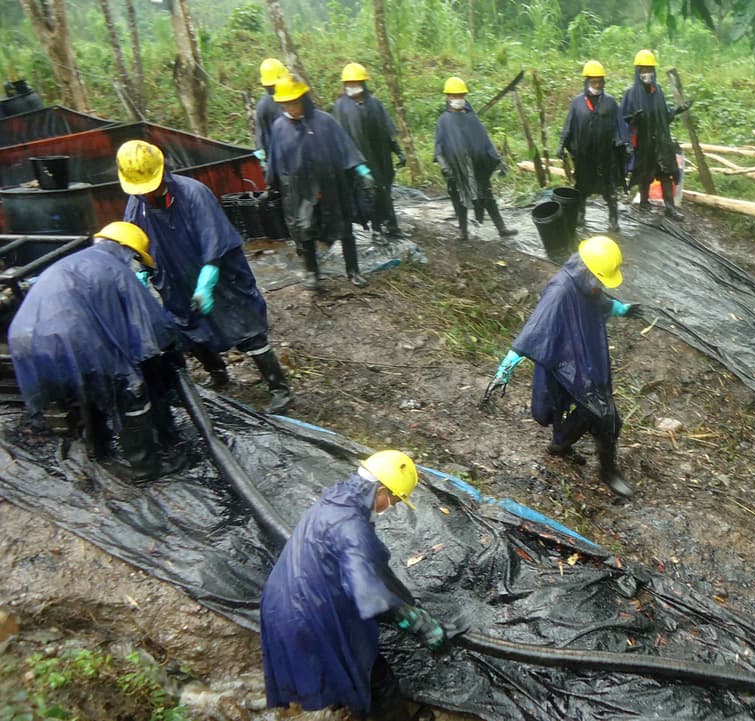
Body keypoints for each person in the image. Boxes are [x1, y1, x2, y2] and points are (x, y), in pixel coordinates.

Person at [260, 450, 450, 720]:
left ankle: (344, 697)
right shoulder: (352, 528)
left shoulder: (336, 499)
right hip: (312, 617)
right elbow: (368, 594)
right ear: (381, 490)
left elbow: (372, 568)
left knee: (344, 670)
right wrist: (417, 623)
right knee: (376, 682)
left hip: (281, 603)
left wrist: (408, 603)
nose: (393, 505)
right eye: (395, 498)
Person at [118, 139, 294, 414]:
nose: (146, 193)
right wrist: (142, 271)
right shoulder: (136, 204)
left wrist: (208, 278)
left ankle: (279, 389)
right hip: (173, 279)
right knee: (188, 328)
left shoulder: (193, 194)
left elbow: (214, 237)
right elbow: (137, 241)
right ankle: (218, 374)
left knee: (244, 325)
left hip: (219, 276)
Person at [7, 222, 185, 481]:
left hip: (25, 339)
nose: (137, 265)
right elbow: (151, 325)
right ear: (127, 250)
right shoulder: (116, 269)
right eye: (137, 259)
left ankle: (98, 450)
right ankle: (146, 468)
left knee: (90, 387)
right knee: (129, 388)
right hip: (71, 338)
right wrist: (173, 350)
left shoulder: (74, 262)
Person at [486, 236, 640, 498]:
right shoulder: (560, 291)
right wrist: (505, 369)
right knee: (604, 416)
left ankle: (560, 445)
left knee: (588, 412)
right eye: (601, 279)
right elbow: (535, 329)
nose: (601, 285)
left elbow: (599, 304)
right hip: (564, 363)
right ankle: (607, 471)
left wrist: (622, 309)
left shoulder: (586, 284)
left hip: (586, 357)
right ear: (589, 270)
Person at [267, 73, 374, 289]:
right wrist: (271, 185)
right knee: (305, 227)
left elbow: (346, 146)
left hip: (331, 184)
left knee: (343, 227)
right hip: (300, 189)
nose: (291, 107)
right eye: (286, 104)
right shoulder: (279, 127)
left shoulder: (325, 121)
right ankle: (312, 273)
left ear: (304, 99)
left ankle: (353, 271)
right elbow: (275, 158)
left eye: (294, 102)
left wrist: (361, 169)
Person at [434, 76, 517, 240]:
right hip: (456, 168)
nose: (458, 99)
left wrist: (498, 160)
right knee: (460, 199)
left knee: (487, 196)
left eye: (461, 96)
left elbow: (485, 141)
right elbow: (439, 148)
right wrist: (445, 168)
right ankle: (463, 231)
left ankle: (501, 228)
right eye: (454, 96)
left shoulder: (472, 118)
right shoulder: (443, 121)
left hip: (477, 165)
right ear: (447, 97)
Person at [332, 62, 408, 241]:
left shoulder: (375, 104)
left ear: (364, 84)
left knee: (384, 193)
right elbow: (340, 139)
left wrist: (398, 151)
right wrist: (353, 164)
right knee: (368, 195)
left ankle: (392, 226)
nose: (352, 87)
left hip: (380, 160)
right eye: (349, 84)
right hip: (358, 163)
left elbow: (387, 130)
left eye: (356, 83)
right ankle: (375, 229)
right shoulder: (341, 108)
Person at [556, 60, 628, 233]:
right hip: (584, 154)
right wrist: (561, 145)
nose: (597, 85)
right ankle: (581, 214)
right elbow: (569, 125)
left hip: (605, 154)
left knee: (609, 188)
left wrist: (624, 144)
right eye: (594, 82)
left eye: (600, 81)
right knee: (582, 185)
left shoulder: (610, 102)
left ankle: (613, 219)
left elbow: (619, 125)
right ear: (587, 81)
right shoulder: (577, 103)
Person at [620, 49, 689, 221]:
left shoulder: (657, 91)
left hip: (661, 140)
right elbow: (622, 120)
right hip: (643, 142)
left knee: (666, 172)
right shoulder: (631, 94)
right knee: (644, 174)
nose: (647, 73)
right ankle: (644, 202)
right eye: (643, 70)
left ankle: (670, 206)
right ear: (637, 72)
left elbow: (664, 115)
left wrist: (677, 110)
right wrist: (633, 119)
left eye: (649, 70)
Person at [252, 58, 287, 170]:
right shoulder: (265, 105)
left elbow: (259, 133)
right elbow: (260, 133)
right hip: (280, 159)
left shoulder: (263, 104)